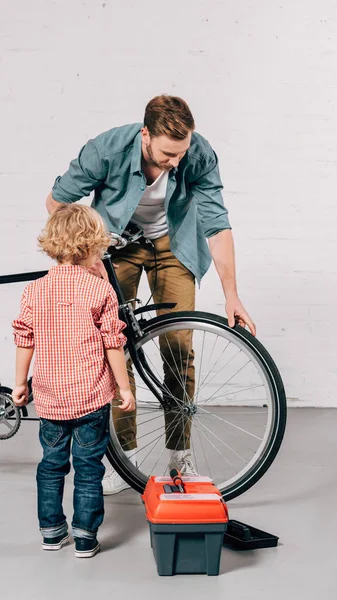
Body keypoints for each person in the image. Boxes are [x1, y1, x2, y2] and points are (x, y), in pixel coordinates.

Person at [45, 94, 256, 494]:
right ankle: (124, 455)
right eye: (166, 154)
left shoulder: (197, 154)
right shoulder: (105, 150)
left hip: (175, 246)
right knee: (113, 347)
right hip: (113, 249)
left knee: (178, 346)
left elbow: (217, 223)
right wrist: (84, 256)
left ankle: (181, 456)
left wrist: (232, 294)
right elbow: (57, 201)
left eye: (181, 153)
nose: (175, 162)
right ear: (145, 134)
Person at [11, 204, 135, 557]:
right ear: (94, 246)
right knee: (88, 467)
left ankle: (51, 532)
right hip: (91, 398)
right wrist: (124, 387)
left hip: (50, 398)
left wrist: (20, 383)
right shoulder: (101, 291)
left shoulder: (35, 290)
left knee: (51, 465)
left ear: (52, 243)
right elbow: (114, 342)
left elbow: (25, 339)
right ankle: (84, 536)